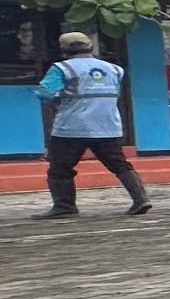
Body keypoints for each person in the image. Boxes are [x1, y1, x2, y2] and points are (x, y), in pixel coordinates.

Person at [32, 32, 148, 219]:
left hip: (72, 127)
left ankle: (64, 206)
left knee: (60, 168)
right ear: (90, 47)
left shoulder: (62, 68)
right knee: (119, 164)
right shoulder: (115, 69)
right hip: (107, 125)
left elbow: (45, 93)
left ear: (64, 50)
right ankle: (140, 199)